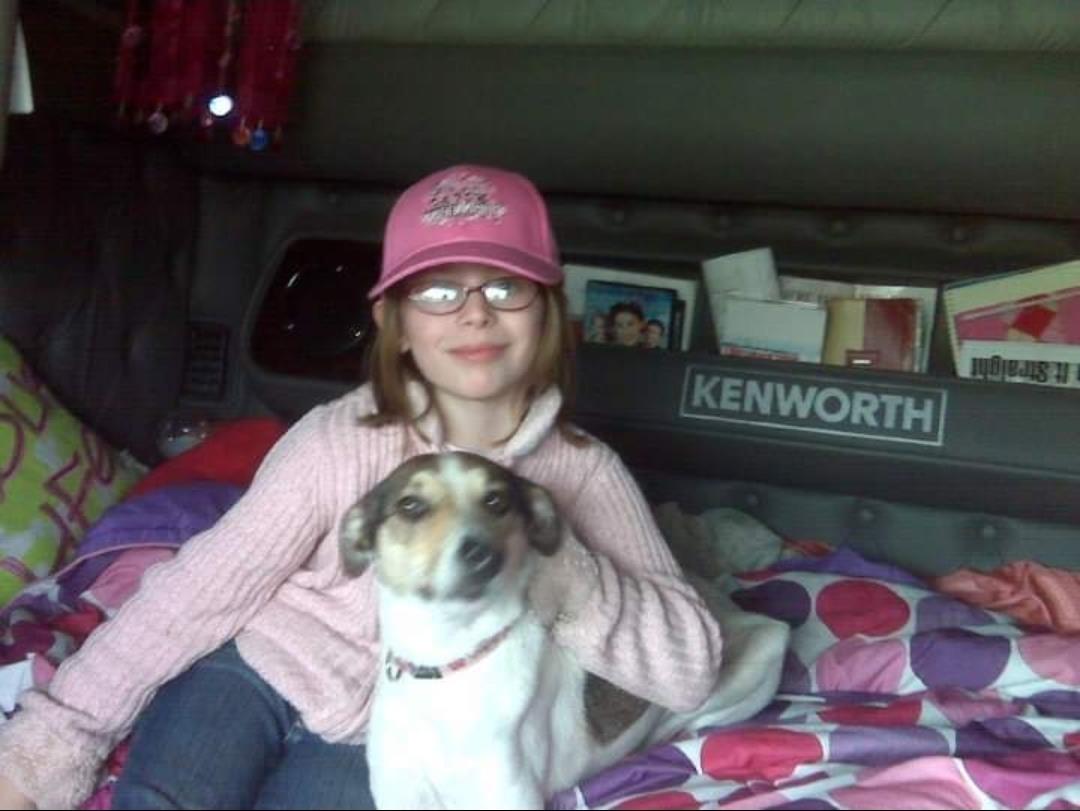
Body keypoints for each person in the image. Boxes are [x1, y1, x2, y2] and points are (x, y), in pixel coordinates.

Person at [0, 164, 723, 810]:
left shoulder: (584, 471)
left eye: (506, 286)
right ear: (394, 322)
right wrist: (45, 750)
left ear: (549, 312)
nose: (474, 311)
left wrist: (562, 572)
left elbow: (689, 667)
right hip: (253, 669)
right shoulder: (337, 439)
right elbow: (198, 590)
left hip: (393, 723)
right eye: (437, 290)